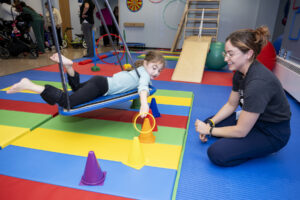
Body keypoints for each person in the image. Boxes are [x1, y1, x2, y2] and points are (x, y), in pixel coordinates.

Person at [195, 26, 291, 167]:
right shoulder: (240, 72)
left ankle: (260, 149)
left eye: (231, 54)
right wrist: (210, 124)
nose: (226, 58)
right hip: (252, 120)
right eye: (226, 53)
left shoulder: (258, 83)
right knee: (208, 121)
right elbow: (231, 105)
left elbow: (241, 131)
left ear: (249, 54)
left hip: (271, 133)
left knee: (217, 153)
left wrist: (208, 130)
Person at [7, 51, 165, 117]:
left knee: (75, 88)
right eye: (154, 67)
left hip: (101, 83)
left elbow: (143, 84)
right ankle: (30, 85)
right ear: (145, 63)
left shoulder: (141, 70)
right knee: (68, 103)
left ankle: (69, 67)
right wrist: (144, 104)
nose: (155, 72)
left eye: (159, 70)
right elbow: (143, 88)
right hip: (101, 87)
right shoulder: (144, 73)